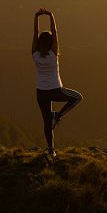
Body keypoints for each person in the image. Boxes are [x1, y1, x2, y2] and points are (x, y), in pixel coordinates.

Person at [32, 8, 83, 156]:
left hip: (40, 93)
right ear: (51, 43)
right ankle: (58, 115)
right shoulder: (54, 54)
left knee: (47, 122)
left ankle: (51, 150)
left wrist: (36, 17)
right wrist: (50, 15)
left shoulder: (34, 54)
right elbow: (55, 32)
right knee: (78, 97)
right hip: (55, 90)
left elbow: (35, 34)